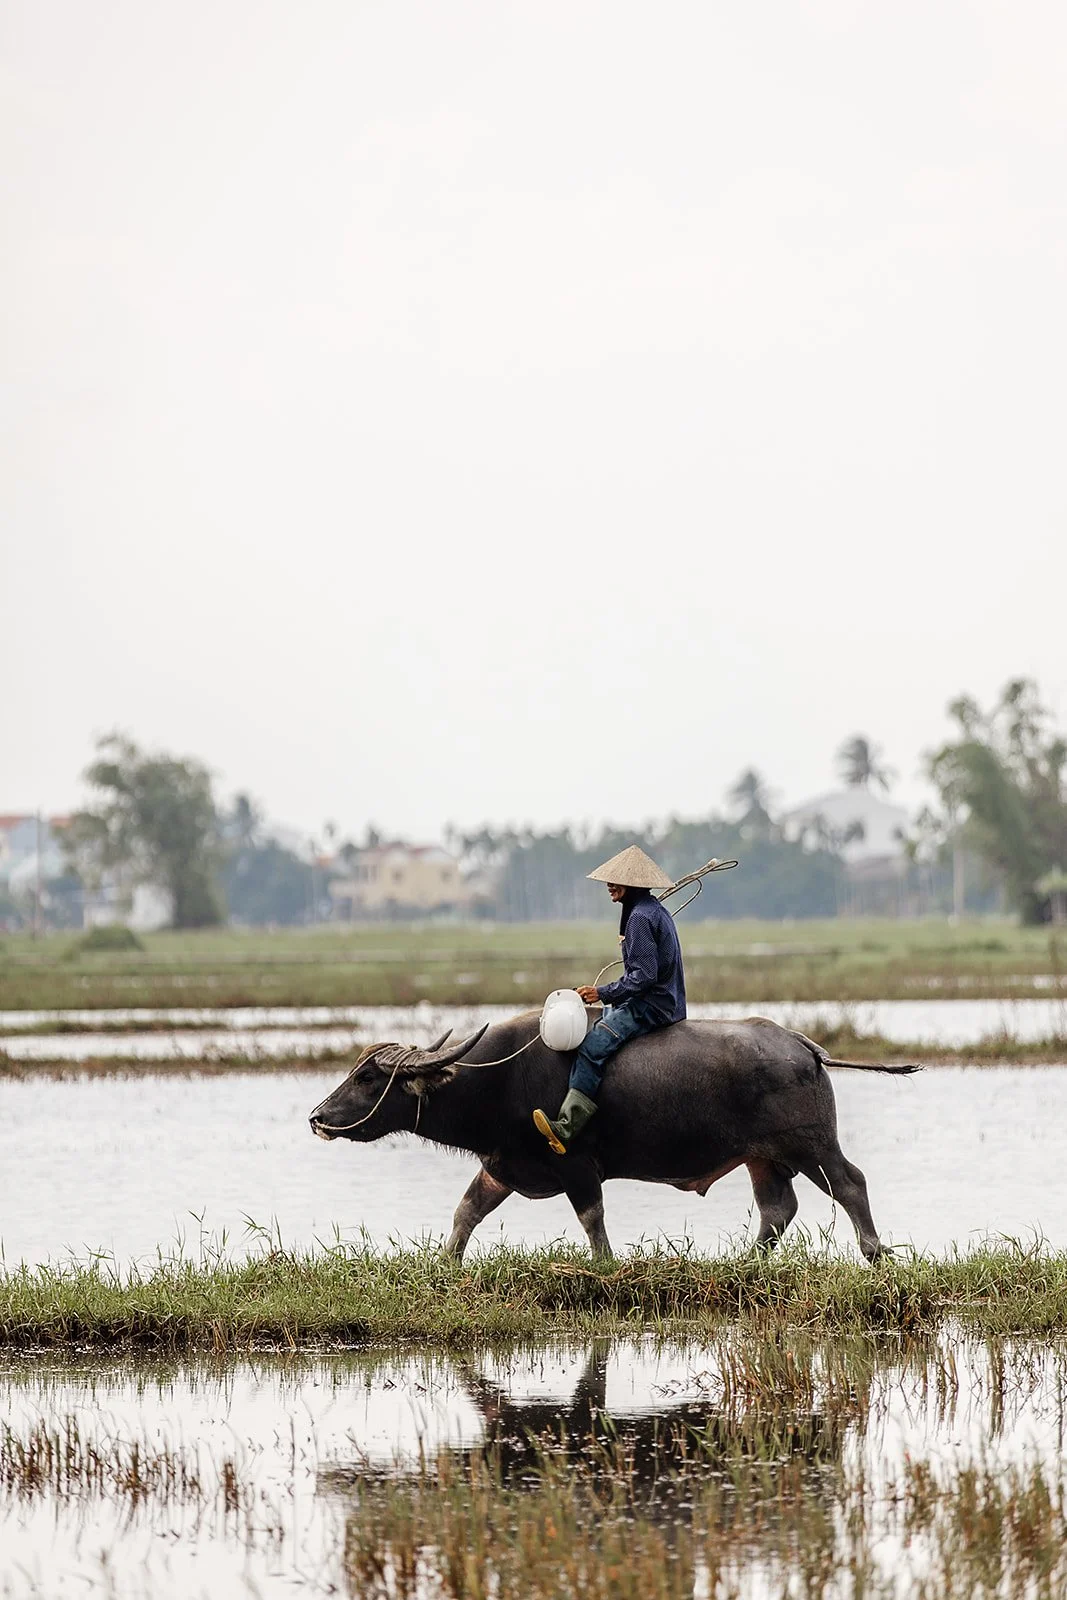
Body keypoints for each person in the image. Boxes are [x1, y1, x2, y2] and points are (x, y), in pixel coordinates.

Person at [533, 844, 687, 1154]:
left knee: (592, 1047)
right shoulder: (651, 910)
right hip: (666, 1000)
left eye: (617, 881)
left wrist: (600, 993)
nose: (609, 886)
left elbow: (644, 977)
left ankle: (567, 1127)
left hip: (652, 1007)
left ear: (634, 885)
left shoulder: (640, 919)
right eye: (609, 880)